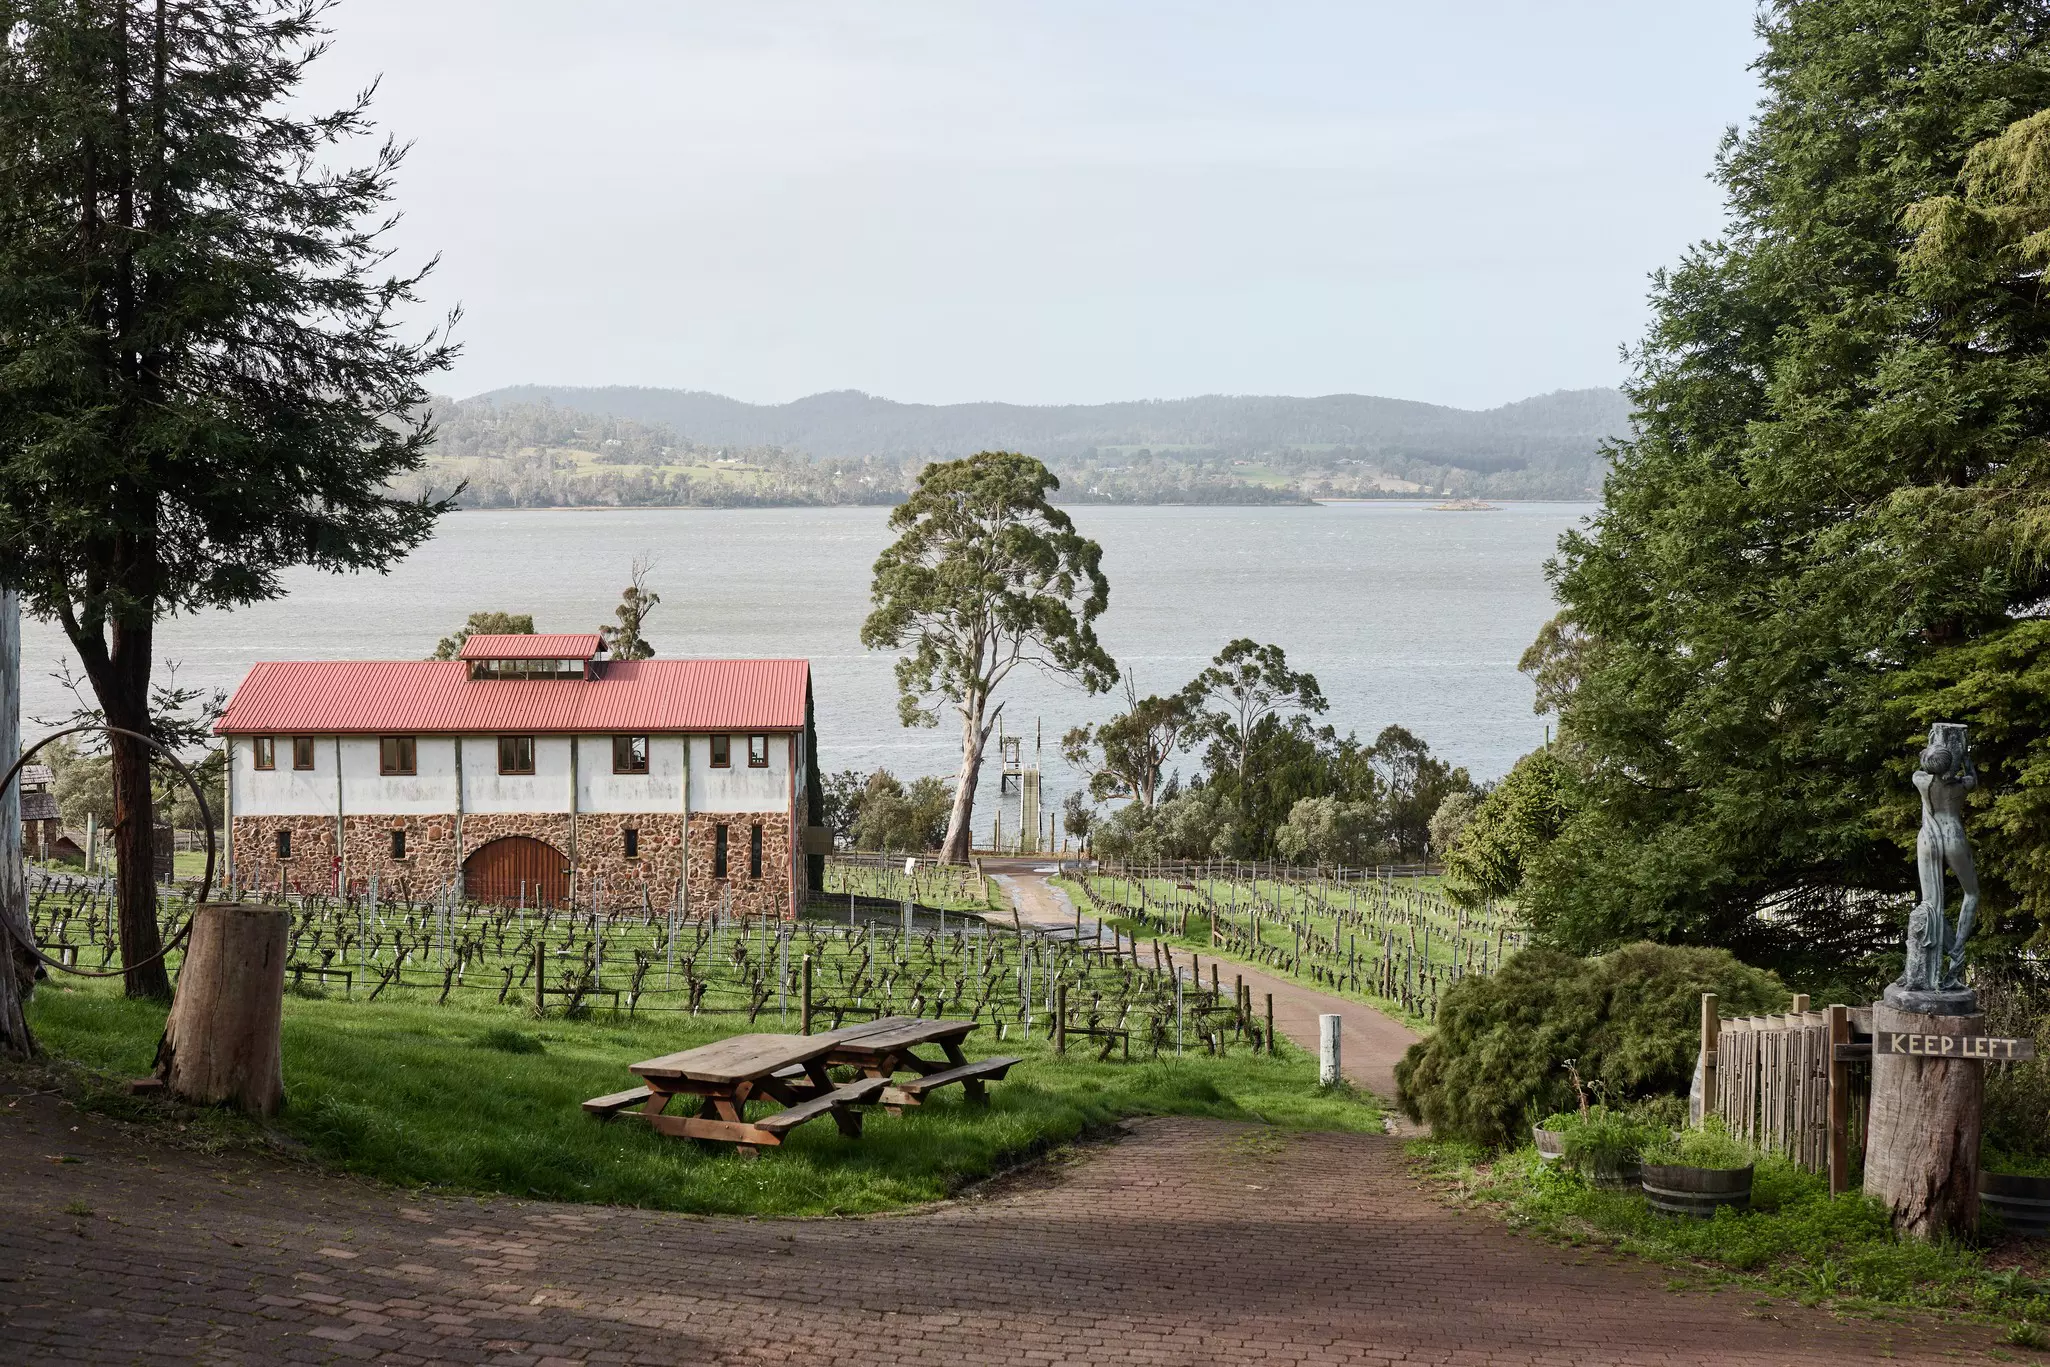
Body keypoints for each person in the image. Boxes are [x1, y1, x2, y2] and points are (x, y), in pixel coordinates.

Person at [1910, 726, 1979, 991]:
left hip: (1928, 838)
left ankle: (1940, 957)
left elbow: (1928, 764)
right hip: (1953, 837)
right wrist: (1965, 760)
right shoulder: (1962, 786)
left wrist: (1934, 745)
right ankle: (1957, 951)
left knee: (1931, 904)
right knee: (1971, 894)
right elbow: (1971, 777)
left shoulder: (1920, 780)